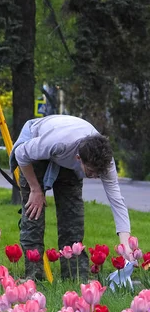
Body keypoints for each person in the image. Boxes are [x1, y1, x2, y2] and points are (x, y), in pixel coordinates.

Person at [10, 115, 132, 281]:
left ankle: (74, 280)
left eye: (98, 173)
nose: (95, 176)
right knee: (33, 216)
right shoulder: (56, 143)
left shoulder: (105, 162)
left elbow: (117, 202)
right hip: (36, 146)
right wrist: (35, 189)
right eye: (90, 172)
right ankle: (34, 280)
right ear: (78, 159)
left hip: (67, 152)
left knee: (73, 219)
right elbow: (21, 154)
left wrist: (126, 246)